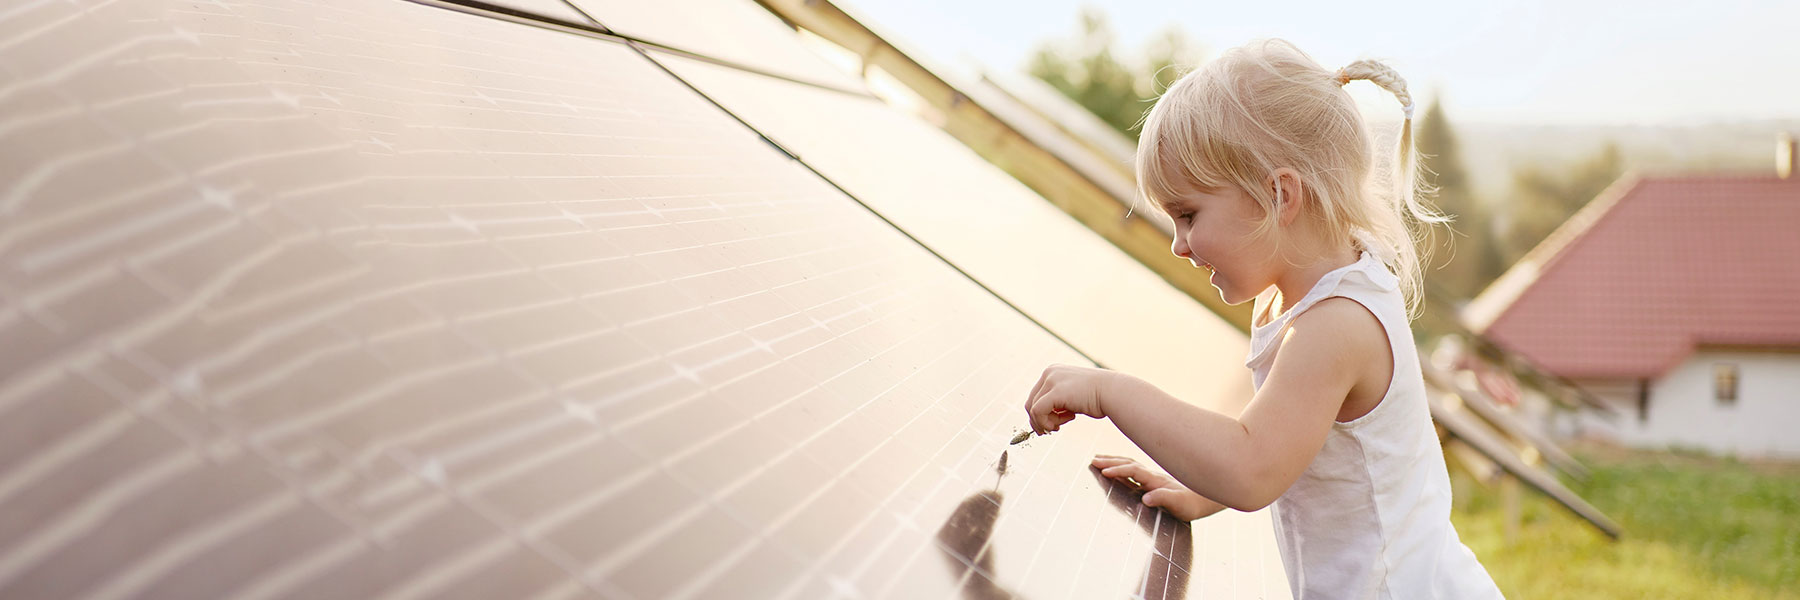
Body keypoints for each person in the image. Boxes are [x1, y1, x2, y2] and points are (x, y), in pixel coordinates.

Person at [1023, 39, 1504, 599]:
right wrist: (1199, 490)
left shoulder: (1337, 324)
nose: (1179, 244)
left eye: (1188, 215)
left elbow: (1252, 466)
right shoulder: (1295, 293)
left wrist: (1110, 392)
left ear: (1279, 195)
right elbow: (1284, 439)